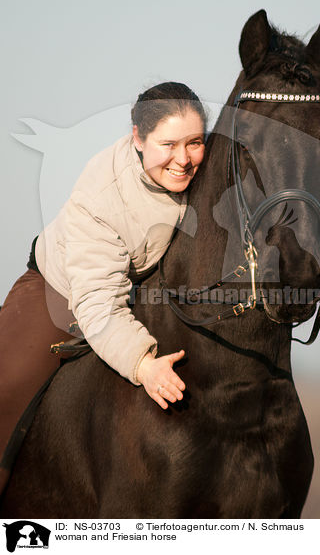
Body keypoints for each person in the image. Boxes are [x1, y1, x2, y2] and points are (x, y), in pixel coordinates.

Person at [0, 81, 207, 493]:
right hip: (62, 295)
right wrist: (144, 366)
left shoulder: (201, 162)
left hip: (142, 290)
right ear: (138, 137)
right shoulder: (103, 198)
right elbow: (97, 304)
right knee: (4, 389)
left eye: (195, 143)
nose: (183, 159)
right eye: (168, 144)